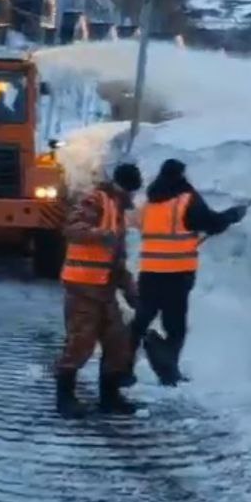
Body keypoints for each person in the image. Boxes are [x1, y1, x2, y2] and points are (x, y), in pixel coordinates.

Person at [128, 159, 245, 386]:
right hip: (177, 273)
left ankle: (122, 368)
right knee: (175, 326)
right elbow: (212, 223)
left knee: (140, 320)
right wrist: (233, 215)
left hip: (150, 272)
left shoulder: (150, 203)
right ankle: (167, 367)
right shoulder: (186, 200)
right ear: (181, 175)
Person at [55, 162, 142, 418]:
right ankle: (65, 398)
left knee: (118, 343)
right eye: (131, 191)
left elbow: (116, 260)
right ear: (123, 187)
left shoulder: (117, 210)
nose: (133, 197)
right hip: (82, 288)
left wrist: (130, 291)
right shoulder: (96, 200)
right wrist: (101, 234)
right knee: (80, 344)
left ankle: (110, 398)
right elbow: (71, 228)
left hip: (103, 290)